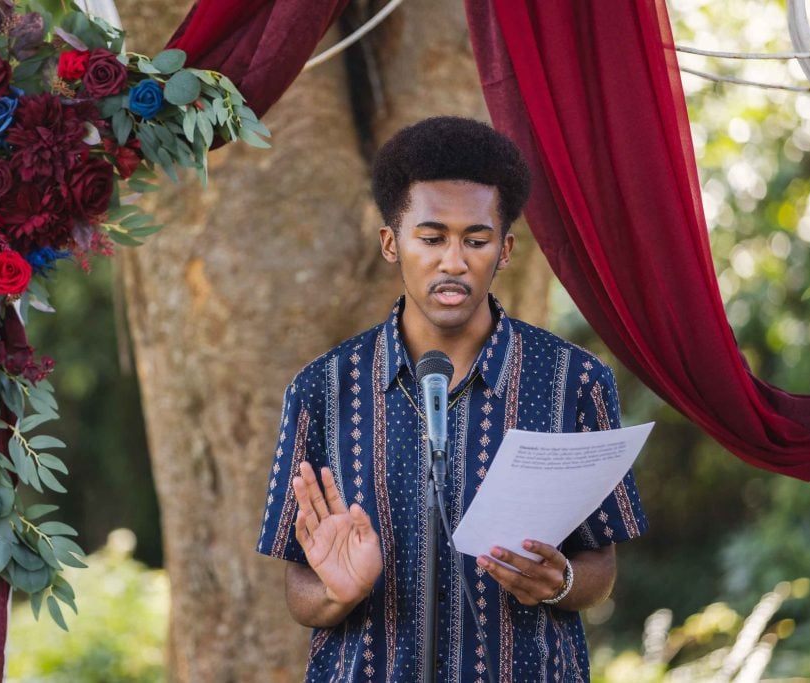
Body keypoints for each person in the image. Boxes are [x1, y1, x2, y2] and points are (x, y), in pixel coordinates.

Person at [257, 116, 647, 682]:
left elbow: (599, 566)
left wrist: (559, 582)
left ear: (506, 248)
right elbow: (299, 587)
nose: (454, 262)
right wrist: (337, 593)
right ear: (392, 243)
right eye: (432, 237)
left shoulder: (574, 380)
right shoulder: (323, 388)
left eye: (477, 240)